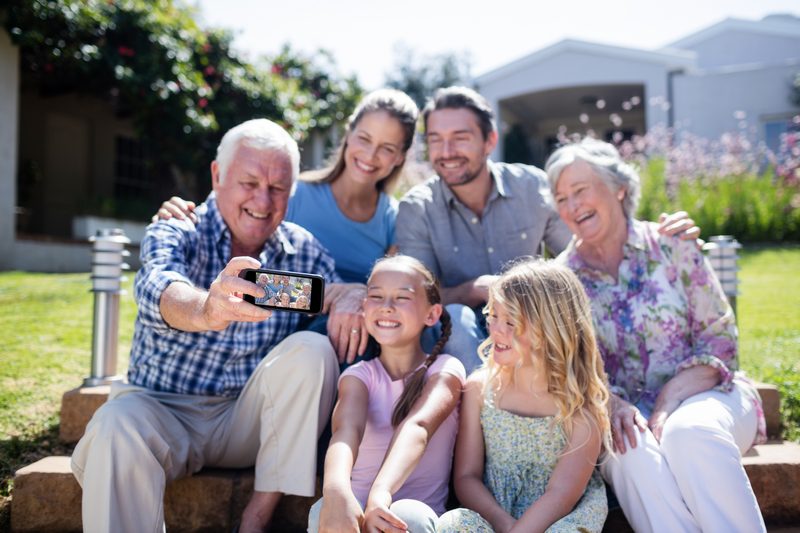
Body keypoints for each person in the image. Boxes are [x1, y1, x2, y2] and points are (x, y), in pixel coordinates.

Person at [71, 118, 367, 533]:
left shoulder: (304, 250)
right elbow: (160, 289)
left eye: (278, 187)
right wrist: (207, 309)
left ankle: (256, 518)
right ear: (217, 175)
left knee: (312, 351)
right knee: (113, 424)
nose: (263, 200)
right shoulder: (178, 228)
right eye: (249, 182)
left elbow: (329, 292)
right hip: (162, 409)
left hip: (244, 422)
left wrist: (351, 294)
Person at [545, 137, 766, 532]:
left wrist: (667, 403)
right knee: (630, 453)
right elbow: (570, 369)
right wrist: (611, 403)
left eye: (580, 190)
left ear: (618, 186)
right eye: (561, 199)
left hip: (709, 394)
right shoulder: (563, 280)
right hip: (621, 415)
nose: (572, 206)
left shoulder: (673, 245)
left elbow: (720, 340)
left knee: (688, 432)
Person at [395, 86, 700, 372]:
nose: (446, 151)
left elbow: (585, 252)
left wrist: (662, 243)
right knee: (459, 321)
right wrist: (472, 290)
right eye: (435, 139)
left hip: (530, 319)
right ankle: (488, 417)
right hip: (455, 334)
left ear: (490, 141)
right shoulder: (417, 208)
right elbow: (421, 300)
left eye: (460, 137)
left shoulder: (533, 187)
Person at [154, 88, 419, 361]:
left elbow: (388, 289)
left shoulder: (392, 219)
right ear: (348, 133)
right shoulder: (292, 193)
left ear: (400, 156)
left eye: (387, 148)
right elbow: (232, 207)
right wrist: (183, 211)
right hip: (289, 327)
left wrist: (353, 295)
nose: (371, 154)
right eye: (364, 138)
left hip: (353, 324)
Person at [438, 259, 611, 533]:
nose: (495, 330)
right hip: (495, 516)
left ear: (551, 330)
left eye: (510, 321)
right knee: (454, 524)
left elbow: (561, 496)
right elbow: (466, 477)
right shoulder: (480, 389)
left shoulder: (580, 409)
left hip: (555, 520)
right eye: (493, 316)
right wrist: (503, 523)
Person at [308, 255, 466, 533]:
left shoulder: (445, 370)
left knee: (409, 515)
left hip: (403, 514)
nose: (387, 307)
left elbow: (417, 427)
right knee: (322, 509)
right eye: (376, 296)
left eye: (402, 298)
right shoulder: (359, 375)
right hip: (355, 511)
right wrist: (335, 491)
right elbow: (346, 431)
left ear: (432, 314)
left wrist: (380, 495)